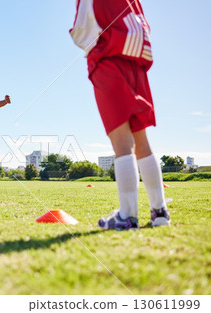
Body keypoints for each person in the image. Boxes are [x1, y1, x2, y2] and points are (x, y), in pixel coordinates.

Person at [70, 0, 170, 230]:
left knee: (122, 145)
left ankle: (128, 215)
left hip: (108, 63)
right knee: (142, 141)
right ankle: (159, 211)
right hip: (135, 65)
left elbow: (81, 31)